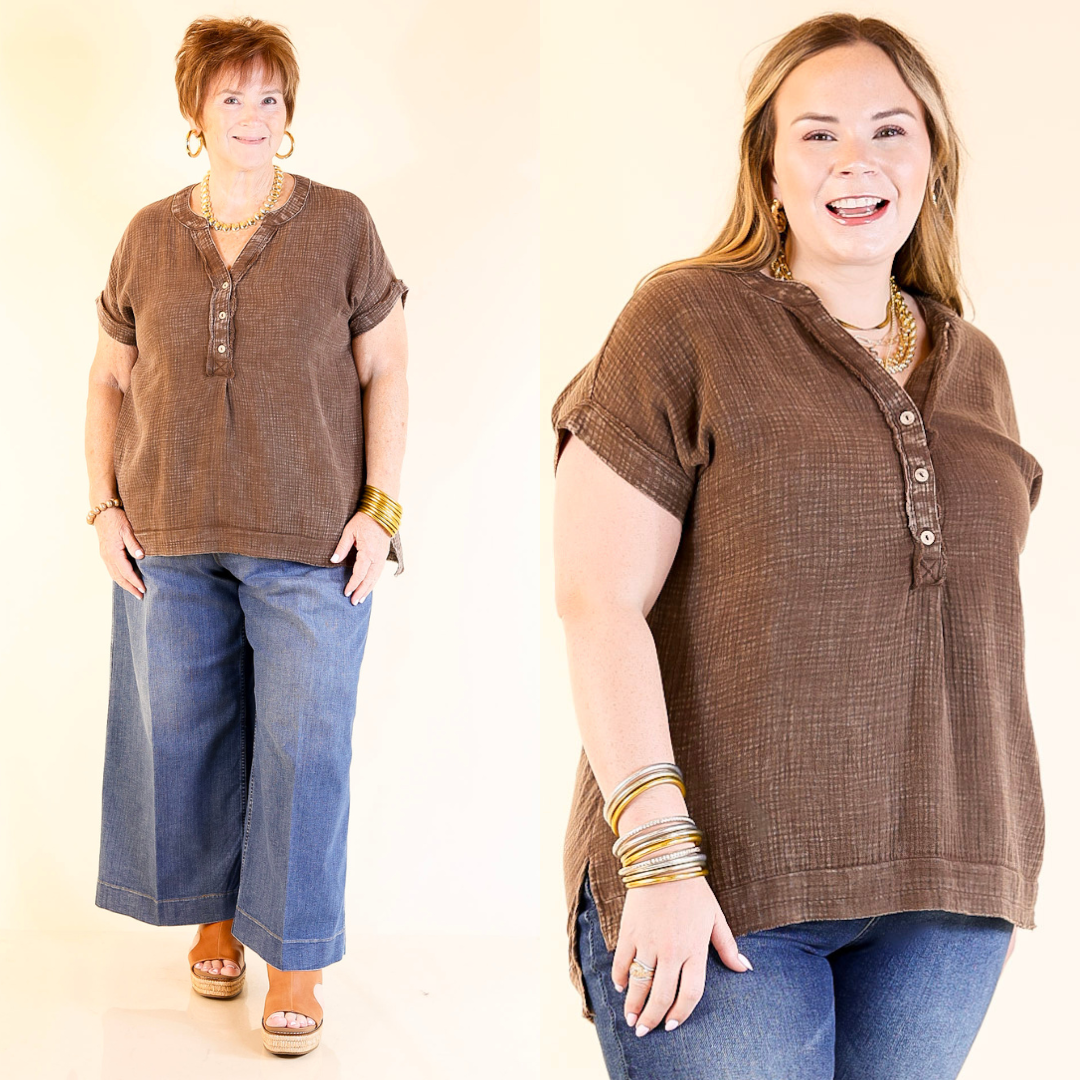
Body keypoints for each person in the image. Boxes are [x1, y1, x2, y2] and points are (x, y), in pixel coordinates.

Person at [551, 13, 1044, 1079]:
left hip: (948, 894)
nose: (856, 160)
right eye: (817, 134)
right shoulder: (684, 319)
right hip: (727, 885)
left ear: (931, 161)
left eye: (889, 131)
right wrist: (659, 857)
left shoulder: (980, 368)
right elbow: (598, 597)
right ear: (769, 169)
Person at [85, 16, 408, 1057]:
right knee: (184, 736)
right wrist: (103, 507)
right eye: (232, 98)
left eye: (271, 98)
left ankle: (298, 962)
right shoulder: (144, 236)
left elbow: (389, 369)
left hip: (312, 539)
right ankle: (215, 919)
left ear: (290, 113)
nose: (254, 117)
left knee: (304, 747)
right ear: (196, 114)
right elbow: (106, 379)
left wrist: (381, 506)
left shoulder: (344, 225)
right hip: (167, 536)